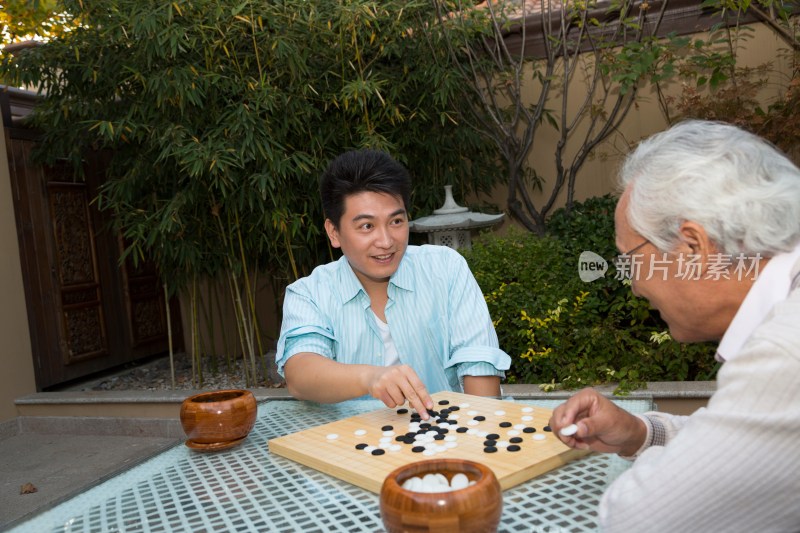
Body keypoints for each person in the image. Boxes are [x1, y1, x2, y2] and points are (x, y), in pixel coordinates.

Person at [549, 120, 800, 532]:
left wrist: (664, 468)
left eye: (629, 260)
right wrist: (638, 433)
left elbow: (637, 518)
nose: (632, 286)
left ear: (692, 247)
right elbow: (740, 446)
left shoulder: (786, 356)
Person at [275, 149, 510, 419]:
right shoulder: (310, 293)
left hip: (446, 436)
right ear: (334, 232)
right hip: (352, 444)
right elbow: (300, 372)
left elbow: (478, 364)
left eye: (396, 221)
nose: (386, 241)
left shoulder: (445, 269)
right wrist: (371, 377)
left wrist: (479, 433)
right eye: (366, 226)